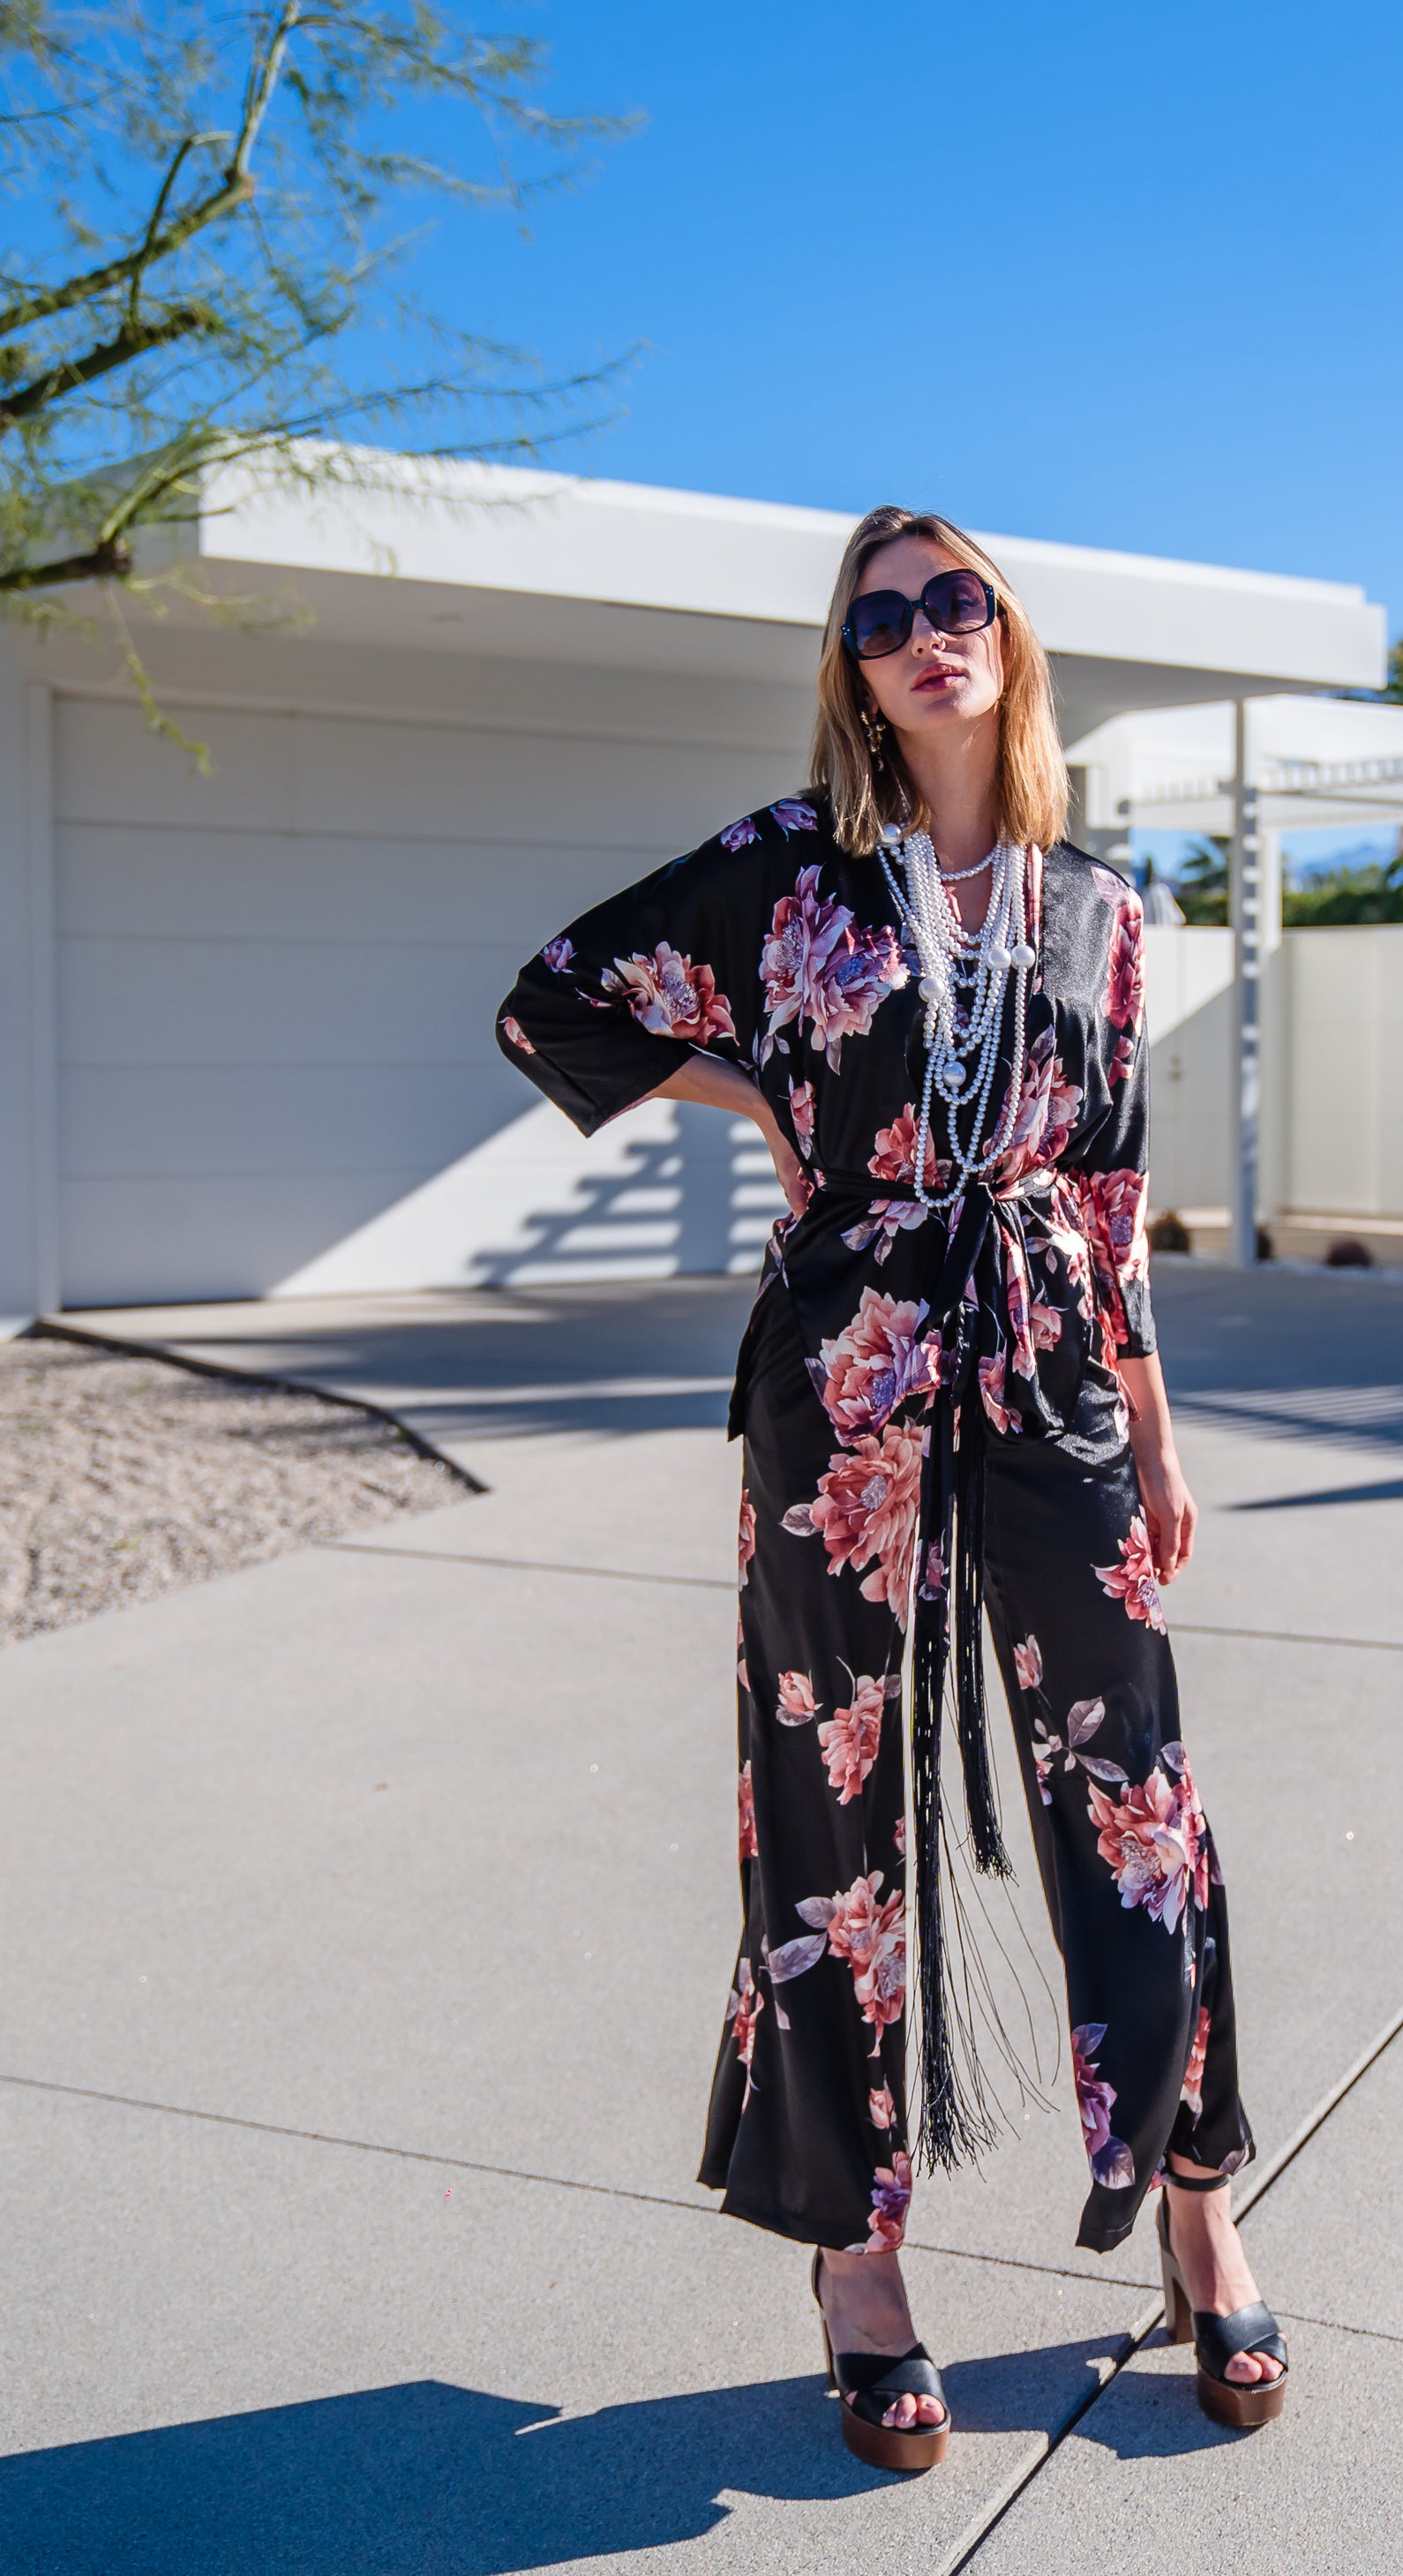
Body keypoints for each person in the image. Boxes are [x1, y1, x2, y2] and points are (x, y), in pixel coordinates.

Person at [497, 506, 1287, 2468]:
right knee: (822, 1791)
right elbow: (552, 1002)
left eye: (958, 601)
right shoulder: (782, 873)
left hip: (1043, 1352)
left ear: (1008, 637)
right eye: (882, 616)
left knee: (1137, 1783)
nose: (926, 634)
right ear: (848, 666)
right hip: (841, 1381)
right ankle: (855, 2251)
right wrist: (759, 1090)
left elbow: (1107, 1193)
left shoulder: (1097, 903)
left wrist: (1156, 1424)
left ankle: (1199, 2195)